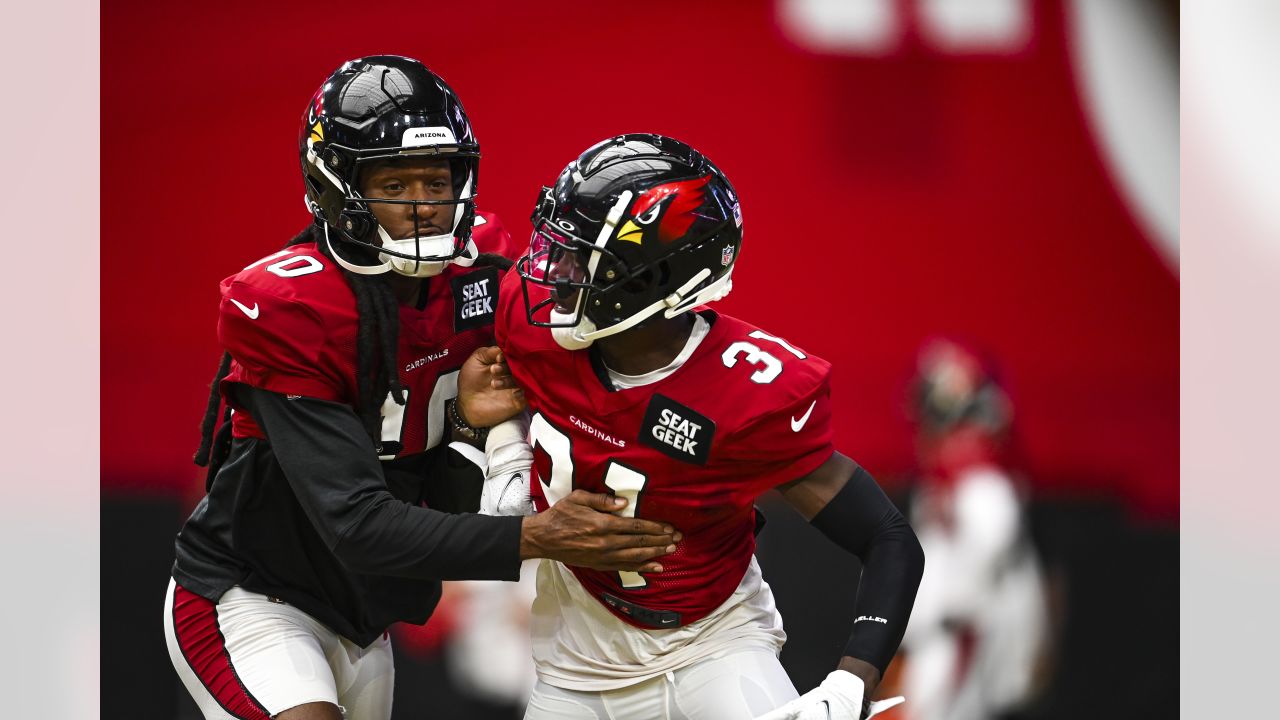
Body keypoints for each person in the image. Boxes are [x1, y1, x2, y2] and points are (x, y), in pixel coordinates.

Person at [163, 58, 681, 720]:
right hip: (253, 595)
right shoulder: (296, 305)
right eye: (394, 182)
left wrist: (469, 425)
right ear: (336, 188)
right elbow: (356, 523)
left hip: (366, 617)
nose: (422, 204)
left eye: (436, 180)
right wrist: (538, 537)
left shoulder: (478, 272)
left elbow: (441, 495)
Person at [484, 134, 926, 720]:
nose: (555, 273)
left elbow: (889, 536)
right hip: (574, 664)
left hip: (713, 647)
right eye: (560, 249)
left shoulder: (747, 392)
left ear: (653, 278)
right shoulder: (526, 314)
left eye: (582, 258)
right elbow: (481, 387)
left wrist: (852, 681)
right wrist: (504, 450)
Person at [894, 339, 1050, 720]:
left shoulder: (978, 474)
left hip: (964, 628)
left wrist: (953, 612)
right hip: (953, 627)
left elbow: (991, 539)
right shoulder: (953, 478)